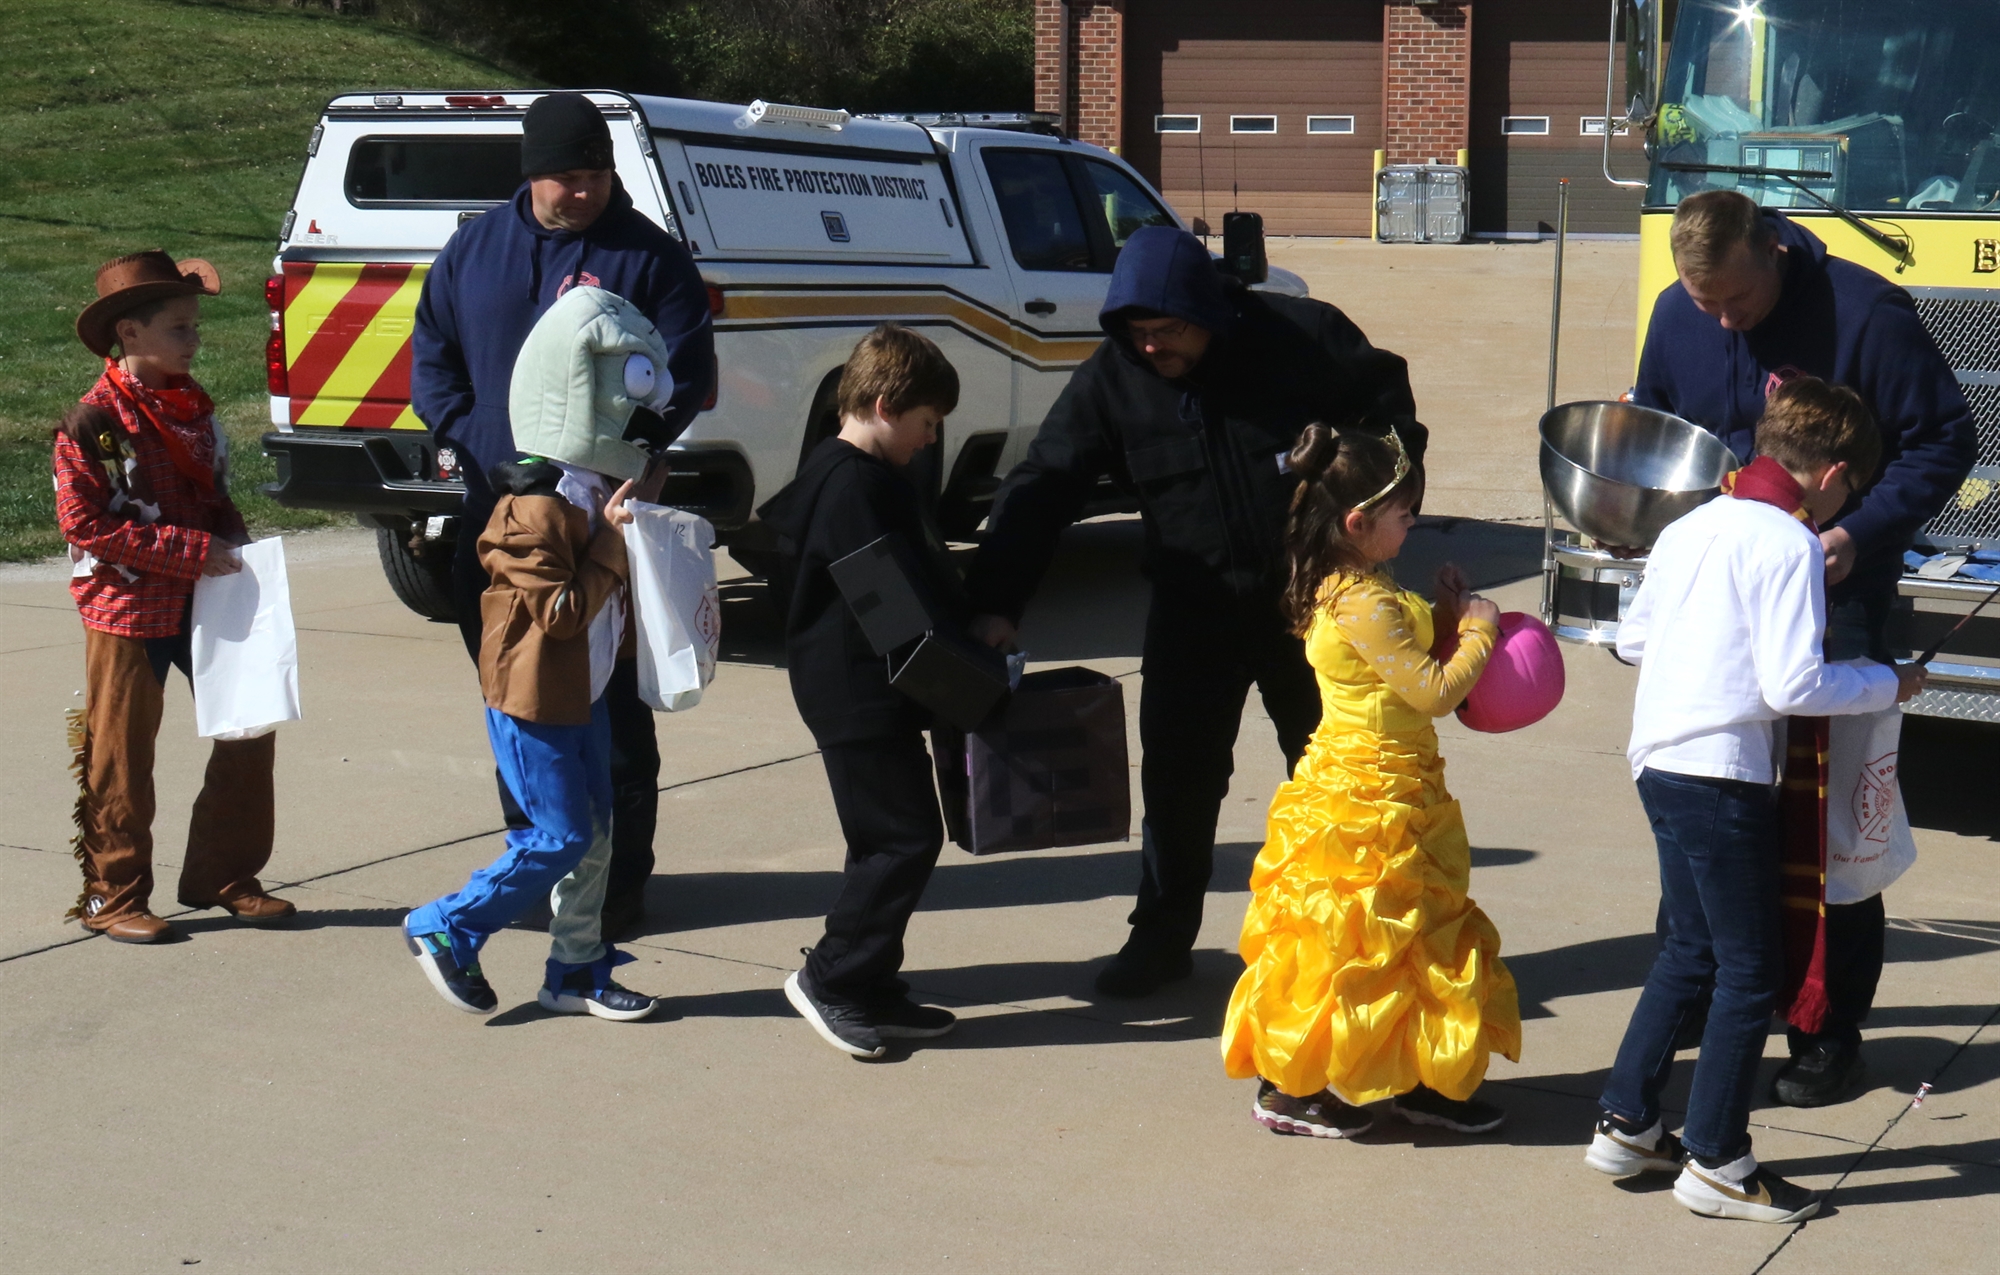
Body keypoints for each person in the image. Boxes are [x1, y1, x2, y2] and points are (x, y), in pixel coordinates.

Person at [967, 226, 1422, 997]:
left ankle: (1358, 933)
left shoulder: (1301, 339)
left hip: (1309, 611)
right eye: (1137, 333)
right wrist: (993, 601)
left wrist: (1362, 474)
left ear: (1206, 310)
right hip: (1194, 608)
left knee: (1333, 778)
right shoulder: (1117, 377)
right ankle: (1162, 935)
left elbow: (1392, 416)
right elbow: (1045, 484)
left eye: (1167, 330)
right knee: (1178, 779)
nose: (1151, 347)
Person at [1632, 190, 1976, 1106]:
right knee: (1716, 803)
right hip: (1719, 612)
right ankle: (1705, 992)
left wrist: (1856, 533)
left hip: (1841, 603)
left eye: (1736, 304)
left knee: (1832, 829)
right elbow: (1658, 434)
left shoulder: (1866, 313)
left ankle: (1828, 1030)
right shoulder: (1679, 314)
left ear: (1774, 252)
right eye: (1703, 305)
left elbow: (1945, 438)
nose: (1720, 321)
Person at [1589, 378, 1926, 1223]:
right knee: (1749, 970)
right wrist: (1888, 681)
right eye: (1847, 488)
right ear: (1833, 471)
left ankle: (1627, 1120)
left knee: (1691, 951)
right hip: (1719, 772)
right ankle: (1717, 1160)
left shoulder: (1693, 523)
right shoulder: (1788, 544)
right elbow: (1792, 682)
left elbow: (1631, 639)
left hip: (1659, 760)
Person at [412, 90, 715, 941]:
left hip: (600, 522)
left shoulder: (648, 259)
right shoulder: (475, 249)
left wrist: (642, 463)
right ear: (530, 175)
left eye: (593, 176)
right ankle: (537, 873)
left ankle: (617, 891)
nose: (581, 193)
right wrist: (471, 439)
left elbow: (686, 373)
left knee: (611, 717)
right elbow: (431, 361)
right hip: (499, 521)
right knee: (521, 708)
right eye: (563, 178)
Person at [1219, 424, 1519, 1138]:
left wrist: (1444, 614)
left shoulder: (1361, 581)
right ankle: (1295, 1086)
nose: (1413, 524)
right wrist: (1479, 629)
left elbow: (1400, 662)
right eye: (1404, 514)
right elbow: (1432, 692)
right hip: (1367, 797)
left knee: (1411, 937)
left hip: (1395, 785)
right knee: (1353, 940)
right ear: (1358, 523)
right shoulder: (1361, 601)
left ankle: (1415, 1074)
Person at [404, 286, 678, 1020]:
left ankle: (576, 967)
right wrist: (613, 544)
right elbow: (559, 612)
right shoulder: (534, 507)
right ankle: (448, 924)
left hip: (580, 691)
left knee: (596, 836)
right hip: (534, 700)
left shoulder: (592, 491)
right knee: (557, 835)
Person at [53, 251, 296, 943]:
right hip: (128, 610)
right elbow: (87, 525)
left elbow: (212, 498)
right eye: (179, 327)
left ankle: (222, 872)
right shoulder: (93, 423)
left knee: (248, 725)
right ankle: (113, 892)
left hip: (206, 601)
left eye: (194, 326)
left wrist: (237, 549)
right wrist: (194, 553)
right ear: (130, 334)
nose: (194, 339)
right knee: (121, 751)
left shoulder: (192, 408)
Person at [758, 324, 966, 1059]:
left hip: (863, 689)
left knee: (888, 836)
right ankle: (832, 976)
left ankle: (873, 981)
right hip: (857, 693)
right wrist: (965, 679)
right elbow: (889, 604)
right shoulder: (851, 485)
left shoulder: (842, 471)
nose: (930, 439)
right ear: (884, 405)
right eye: (927, 423)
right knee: (901, 838)